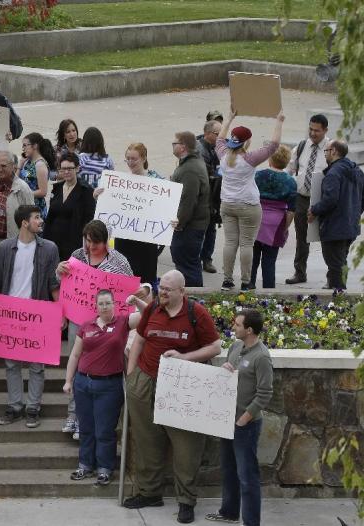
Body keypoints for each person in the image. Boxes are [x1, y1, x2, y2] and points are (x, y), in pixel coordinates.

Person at [122, 270, 222, 524]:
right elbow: (139, 341)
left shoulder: (195, 313)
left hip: (182, 385)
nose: (162, 292)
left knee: (186, 446)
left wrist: (184, 357)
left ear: (182, 292)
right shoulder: (152, 308)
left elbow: (215, 346)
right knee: (146, 441)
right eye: (161, 287)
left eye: (168, 289)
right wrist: (132, 376)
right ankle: (149, 493)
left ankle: (186, 501)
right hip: (146, 381)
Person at [57, 220, 133, 438]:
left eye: (95, 243)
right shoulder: (78, 255)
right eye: (87, 241)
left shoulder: (119, 261)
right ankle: (74, 415)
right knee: (76, 365)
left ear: (105, 241)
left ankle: (87, 420)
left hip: (105, 326)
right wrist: (59, 270)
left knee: (96, 368)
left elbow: (130, 289)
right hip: (78, 321)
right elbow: (61, 281)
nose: (90, 246)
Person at [0, 205, 60, 428]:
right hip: (10, 312)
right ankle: (14, 405)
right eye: (37, 217)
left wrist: (60, 312)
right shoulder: (4, 247)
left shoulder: (49, 248)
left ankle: (33, 407)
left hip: (38, 312)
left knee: (37, 365)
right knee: (11, 365)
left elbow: (53, 283)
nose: (41, 221)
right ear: (24, 223)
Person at [63, 289, 143, 486]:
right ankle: (84, 465)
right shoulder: (86, 326)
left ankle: (105, 468)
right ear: (96, 306)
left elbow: (148, 314)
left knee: (105, 430)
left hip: (109, 385)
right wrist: (68, 380)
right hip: (83, 383)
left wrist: (138, 301)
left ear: (114, 304)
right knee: (86, 428)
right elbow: (74, 355)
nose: (105, 307)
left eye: (108, 303)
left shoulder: (123, 322)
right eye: (101, 304)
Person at [205, 309, 274, 526]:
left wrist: (245, 418)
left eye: (237, 324)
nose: (233, 327)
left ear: (250, 330)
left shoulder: (261, 357)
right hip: (227, 419)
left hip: (246, 425)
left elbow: (265, 393)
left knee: (247, 477)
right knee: (229, 470)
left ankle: (251, 522)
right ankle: (229, 512)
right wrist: (227, 368)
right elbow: (231, 375)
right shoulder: (236, 346)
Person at [216, 110, 284, 291]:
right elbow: (273, 145)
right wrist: (279, 121)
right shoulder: (250, 159)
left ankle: (227, 281)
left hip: (227, 204)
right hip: (248, 205)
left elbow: (219, 140)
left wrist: (229, 119)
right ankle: (246, 282)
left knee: (230, 243)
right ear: (247, 142)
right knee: (247, 244)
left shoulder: (223, 156)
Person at [309, 139, 364, 290]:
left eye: (326, 151)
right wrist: (354, 214)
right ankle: (335, 286)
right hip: (351, 225)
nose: (325, 154)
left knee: (334, 263)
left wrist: (314, 209)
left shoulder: (333, 173)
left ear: (334, 151)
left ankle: (337, 294)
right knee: (340, 260)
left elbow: (330, 200)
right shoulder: (357, 171)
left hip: (335, 226)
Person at [285, 114, 331, 285]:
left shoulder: (331, 148)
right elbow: (289, 170)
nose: (312, 133)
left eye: (317, 130)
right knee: (302, 237)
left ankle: (332, 276)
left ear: (325, 130)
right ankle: (300, 272)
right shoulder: (302, 146)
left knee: (327, 237)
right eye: (310, 129)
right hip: (302, 198)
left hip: (323, 199)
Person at [109, 143, 164, 285]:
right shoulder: (121, 183)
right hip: (124, 240)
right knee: (124, 279)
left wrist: (172, 220)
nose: (130, 162)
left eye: (134, 159)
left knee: (146, 282)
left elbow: (165, 208)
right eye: (127, 159)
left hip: (146, 240)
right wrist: (99, 196)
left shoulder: (156, 181)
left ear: (144, 158)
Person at [250, 146, 297, 289]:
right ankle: (269, 291)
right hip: (276, 223)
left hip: (256, 218)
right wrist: (285, 228)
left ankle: (248, 285)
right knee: (269, 261)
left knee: (252, 257)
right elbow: (291, 211)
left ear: (269, 159)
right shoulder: (290, 182)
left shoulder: (258, 175)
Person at [169, 131, 210, 288]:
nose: (173, 146)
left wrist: (179, 223)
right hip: (193, 225)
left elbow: (188, 200)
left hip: (189, 227)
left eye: (175, 143)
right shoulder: (191, 163)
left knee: (187, 266)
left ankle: (194, 298)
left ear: (183, 147)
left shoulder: (190, 169)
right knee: (188, 264)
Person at [0, 150, 34, 268]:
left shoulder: (22, 188)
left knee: (10, 275)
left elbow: (31, 219)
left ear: (13, 166)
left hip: (12, 240)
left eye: (4, 166)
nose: (0, 169)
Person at [43, 152, 96, 262]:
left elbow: (89, 219)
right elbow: (50, 216)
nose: (66, 172)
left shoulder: (86, 190)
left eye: (70, 168)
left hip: (74, 242)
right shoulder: (56, 188)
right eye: (63, 169)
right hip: (53, 240)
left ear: (77, 168)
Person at [197, 119, 223, 274]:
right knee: (202, 229)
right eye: (217, 134)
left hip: (214, 196)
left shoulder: (216, 148)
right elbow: (208, 174)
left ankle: (207, 258)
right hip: (204, 196)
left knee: (211, 229)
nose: (221, 137)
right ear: (207, 133)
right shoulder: (200, 150)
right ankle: (201, 258)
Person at [18, 132, 56, 218]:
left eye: (25, 145)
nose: (23, 148)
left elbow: (43, 191)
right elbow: (18, 180)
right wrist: (20, 165)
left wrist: (25, 194)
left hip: (35, 208)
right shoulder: (28, 161)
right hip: (25, 205)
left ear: (35, 146)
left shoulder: (40, 164)